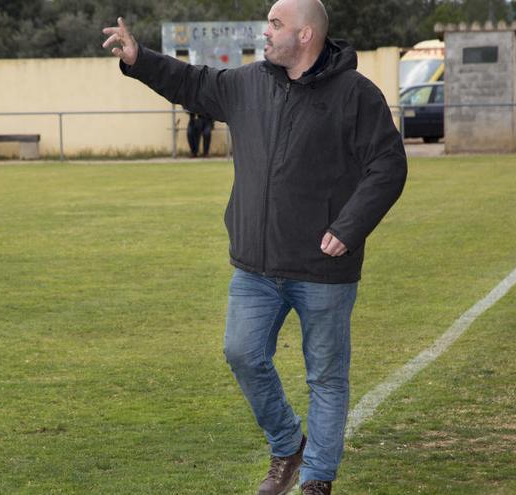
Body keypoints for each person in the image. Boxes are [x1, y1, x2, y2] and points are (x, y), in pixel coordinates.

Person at [102, 0, 407, 494]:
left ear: (305, 35)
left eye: (275, 23)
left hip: (324, 268)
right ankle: (288, 445)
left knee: (326, 379)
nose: (264, 31)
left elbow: (388, 165)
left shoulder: (356, 94)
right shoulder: (247, 83)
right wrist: (139, 59)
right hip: (256, 268)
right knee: (242, 353)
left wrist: (350, 227)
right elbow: (192, 82)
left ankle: (316, 480)